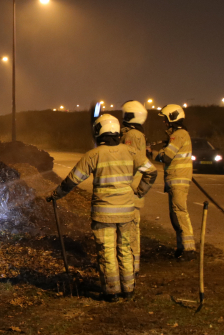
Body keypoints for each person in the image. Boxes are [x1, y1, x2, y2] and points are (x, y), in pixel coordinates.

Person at [47, 114, 157, 302]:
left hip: (103, 213)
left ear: (99, 132)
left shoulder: (94, 155)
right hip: (126, 212)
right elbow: (151, 172)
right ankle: (129, 289)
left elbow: (72, 180)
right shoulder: (131, 152)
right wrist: (139, 192)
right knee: (125, 248)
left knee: (107, 252)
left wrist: (56, 194)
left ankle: (111, 291)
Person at [155, 104, 195, 259]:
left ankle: (189, 249)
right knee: (174, 215)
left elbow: (166, 157)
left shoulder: (178, 135)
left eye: (165, 118)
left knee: (179, 213)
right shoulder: (179, 135)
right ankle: (181, 247)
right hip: (175, 179)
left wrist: (158, 152)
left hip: (178, 179)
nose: (164, 122)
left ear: (172, 117)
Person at [120, 100, 149, 273]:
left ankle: (131, 266)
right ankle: (132, 264)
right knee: (131, 228)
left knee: (130, 229)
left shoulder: (132, 136)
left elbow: (128, 161)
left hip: (130, 189)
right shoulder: (137, 134)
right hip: (133, 188)